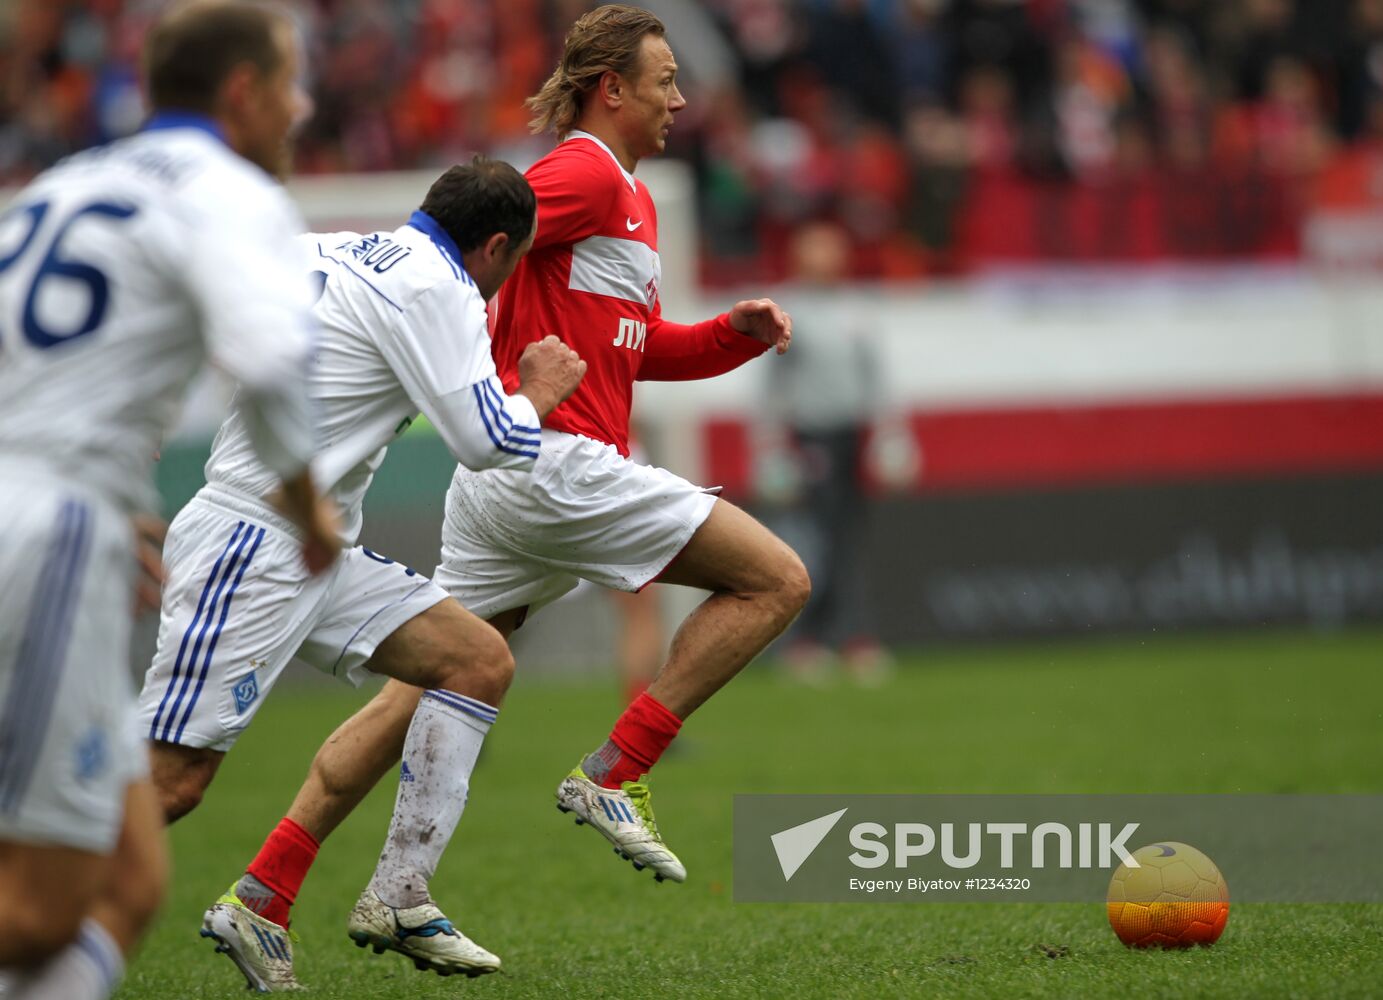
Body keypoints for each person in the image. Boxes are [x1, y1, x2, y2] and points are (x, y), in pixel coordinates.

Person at [207, 11, 808, 969]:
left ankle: (268, 888)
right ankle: (619, 768)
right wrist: (484, 364)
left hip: (512, 480)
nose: (679, 98)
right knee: (775, 580)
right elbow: (474, 237)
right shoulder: (579, 173)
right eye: (663, 80)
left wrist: (728, 334)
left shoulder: (631, 201)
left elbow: (633, 347)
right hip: (556, 463)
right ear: (611, 88)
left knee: (434, 679)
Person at [134, 159, 585, 991]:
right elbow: (485, 440)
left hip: (314, 546)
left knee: (475, 660)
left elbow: (209, 310)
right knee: (168, 783)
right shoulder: (440, 288)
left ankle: (376, 894)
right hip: (252, 541)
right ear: (494, 248)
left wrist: (150, 400)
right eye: (513, 263)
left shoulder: (329, 247)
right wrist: (537, 391)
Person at [0, 3, 339, 999]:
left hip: (59, 512)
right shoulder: (228, 192)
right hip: (49, 528)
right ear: (242, 92)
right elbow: (272, 353)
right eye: (289, 82)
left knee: (132, 876)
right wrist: (310, 510)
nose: (303, 105)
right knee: (40, 908)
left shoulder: (59, 184)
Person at [769, 221, 891, 684]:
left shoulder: (856, 310)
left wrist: (889, 434)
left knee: (849, 536)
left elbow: (877, 377)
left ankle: (851, 636)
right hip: (810, 436)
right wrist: (770, 449)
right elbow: (771, 386)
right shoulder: (787, 309)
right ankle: (810, 641)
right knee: (816, 538)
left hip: (851, 435)